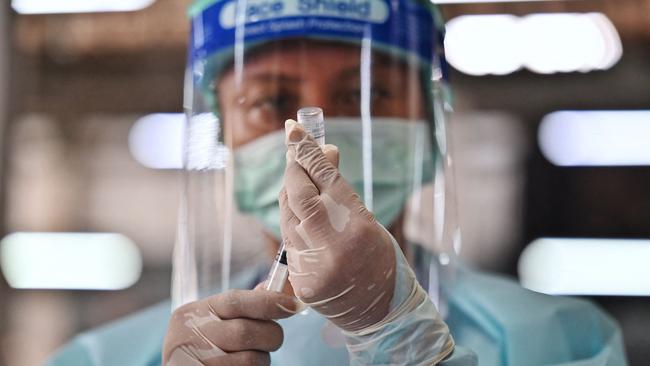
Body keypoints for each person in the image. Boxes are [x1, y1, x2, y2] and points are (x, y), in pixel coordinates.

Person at [46, 0, 627, 365]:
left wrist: (398, 337)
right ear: (223, 137)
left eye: (368, 94)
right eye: (272, 100)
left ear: (429, 128)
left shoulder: (562, 342)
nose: (314, 133)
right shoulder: (103, 359)